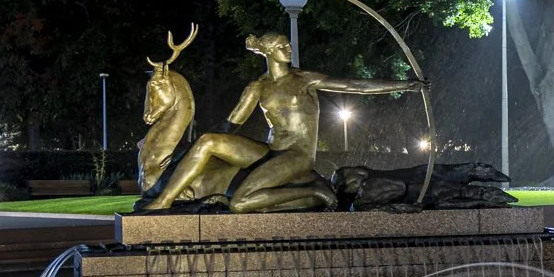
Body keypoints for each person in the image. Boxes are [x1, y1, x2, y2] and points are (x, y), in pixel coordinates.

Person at [145, 32, 421, 212]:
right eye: (281, 46)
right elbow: (230, 125)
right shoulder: (258, 87)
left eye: (287, 45)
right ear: (268, 52)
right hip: (270, 150)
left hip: (297, 155)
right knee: (208, 141)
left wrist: (406, 85)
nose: (288, 49)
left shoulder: (304, 79)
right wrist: (190, 152)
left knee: (240, 204)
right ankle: (164, 201)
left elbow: (354, 85)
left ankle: (313, 190)